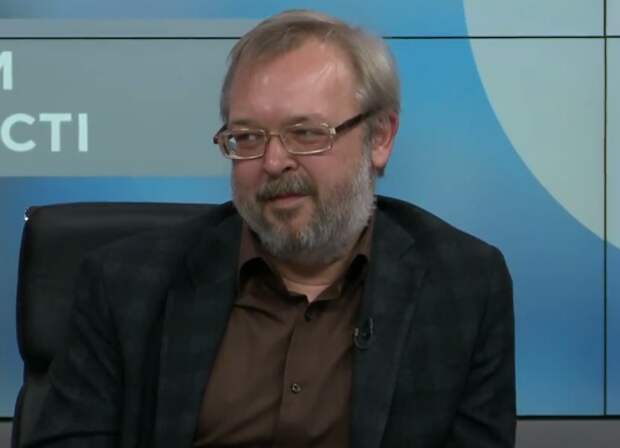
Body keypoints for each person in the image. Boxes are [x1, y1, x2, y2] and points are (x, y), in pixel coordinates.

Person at [26, 10, 515, 448]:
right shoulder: (125, 284)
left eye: (306, 133)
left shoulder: (464, 285)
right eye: (247, 137)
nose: (274, 161)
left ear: (380, 138)